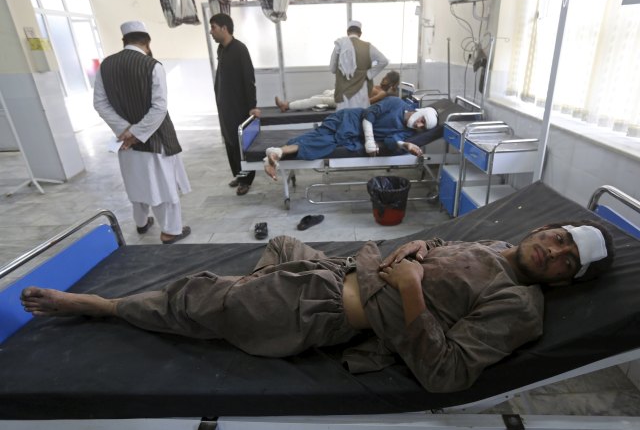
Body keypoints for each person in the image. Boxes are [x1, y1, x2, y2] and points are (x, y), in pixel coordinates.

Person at [20, 220, 614, 393]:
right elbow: (444, 260)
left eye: (566, 258)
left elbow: (448, 373)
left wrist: (409, 289)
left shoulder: (520, 306)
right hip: (332, 271)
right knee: (281, 243)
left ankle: (101, 304)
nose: (553, 249)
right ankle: (239, 307)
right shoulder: (492, 244)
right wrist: (422, 247)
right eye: (559, 236)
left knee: (192, 295)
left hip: (328, 307)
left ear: (566, 281)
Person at [93, 20, 191, 245]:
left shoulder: (105, 66)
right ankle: (171, 231)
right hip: (155, 139)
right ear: (147, 42)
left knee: (136, 181)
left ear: (124, 41)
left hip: (125, 142)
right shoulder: (152, 65)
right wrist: (137, 132)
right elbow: (159, 107)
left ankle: (141, 222)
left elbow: (100, 103)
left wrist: (124, 130)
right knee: (163, 186)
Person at [263, 96, 438, 180]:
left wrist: (405, 145)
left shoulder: (408, 132)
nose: (420, 125)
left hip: (352, 136)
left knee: (323, 141)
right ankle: (276, 153)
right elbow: (370, 113)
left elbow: (390, 142)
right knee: (323, 139)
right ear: (420, 112)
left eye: (424, 126)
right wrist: (369, 140)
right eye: (422, 120)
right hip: (349, 119)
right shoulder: (396, 103)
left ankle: (277, 152)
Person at [210, 13, 261, 196]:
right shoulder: (221, 50)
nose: (211, 32)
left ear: (224, 28)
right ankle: (239, 175)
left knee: (240, 145)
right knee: (230, 143)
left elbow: (249, 79)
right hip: (225, 106)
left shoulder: (240, 49)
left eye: (213, 27)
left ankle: (246, 180)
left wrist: (252, 106)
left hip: (238, 106)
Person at [330, 20, 389, 110]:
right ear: (360, 33)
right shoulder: (368, 46)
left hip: (343, 92)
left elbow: (332, 69)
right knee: (360, 117)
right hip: (361, 90)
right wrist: (368, 74)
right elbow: (384, 61)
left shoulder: (339, 45)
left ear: (347, 32)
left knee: (344, 118)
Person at [274, 71, 401, 112]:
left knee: (318, 99)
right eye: (384, 77)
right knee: (324, 93)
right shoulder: (378, 87)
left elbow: (367, 102)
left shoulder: (383, 93)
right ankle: (297, 104)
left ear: (391, 83)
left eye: (387, 79)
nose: (383, 79)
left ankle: (287, 105)